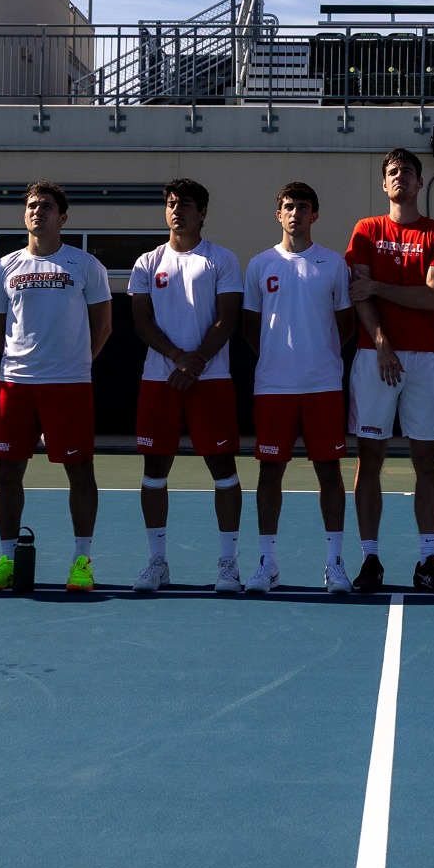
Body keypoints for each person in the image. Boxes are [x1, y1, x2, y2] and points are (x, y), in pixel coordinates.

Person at [0, 181, 111, 592]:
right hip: (16, 384)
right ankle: (7, 560)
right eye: (32, 206)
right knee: (8, 470)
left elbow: (103, 326)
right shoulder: (4, 267)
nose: (38, 211)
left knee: (80, 470)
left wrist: (77, 363)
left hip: (69, 385)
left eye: (47, 206)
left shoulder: (85, 265)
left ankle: (82, 562)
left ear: (62, 217)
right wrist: (20, 361)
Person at [345, 147, 434, 595]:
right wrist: (381, 343)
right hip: (374, 356)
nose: (400, 177)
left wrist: (377, 286)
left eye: (407, 172)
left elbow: (432, 298)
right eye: (392, 172)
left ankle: (427, 561)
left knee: (426, 460)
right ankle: (369, 559)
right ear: (384, 183)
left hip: (426, 358)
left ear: (419, 182)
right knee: (369, 458)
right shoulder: (366, 229)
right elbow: (358, 294)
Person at [127, 178, 244, 593]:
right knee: (154, 471)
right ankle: (157, 562)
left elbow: (227, 319)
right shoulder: (147, 262)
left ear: (203, 212)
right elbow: (141, 321)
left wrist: (195, 364)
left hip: (211, 379)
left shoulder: (222, 259)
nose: (177, 210)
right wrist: (179, 358)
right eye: (172, 203)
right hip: (159, 380)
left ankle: (228, 565)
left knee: (223, 469)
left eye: (186, 204)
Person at [243, 182, 355, 593]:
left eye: (302, 207)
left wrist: (317, 356)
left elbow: (345, 325)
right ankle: (268, 564)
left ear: (314, 215)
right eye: (288, 207)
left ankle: (334, 564)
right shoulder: (260, 264)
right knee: (270, 471)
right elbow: (251, 327)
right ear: (279, 214)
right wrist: (280, 358)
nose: (295, 213)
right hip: (273, 387)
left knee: (329, 471)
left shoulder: (333, 264)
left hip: (322, 385)